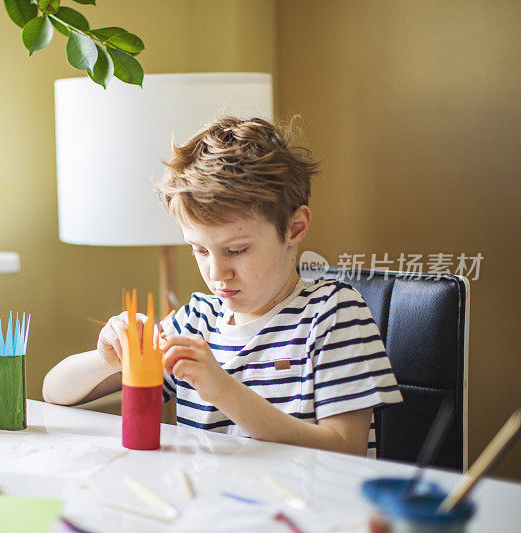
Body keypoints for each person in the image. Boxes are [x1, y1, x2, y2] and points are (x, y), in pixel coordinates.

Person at [42, 116, 402, 456]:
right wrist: (103, 361)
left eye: (237, 250)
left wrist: (223, 390)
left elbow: (345, 449)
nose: (217, 273)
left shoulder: (334, 314)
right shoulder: (197, 320)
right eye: (199, 249)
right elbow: (55, 393)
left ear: (294, 228)